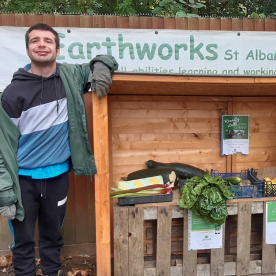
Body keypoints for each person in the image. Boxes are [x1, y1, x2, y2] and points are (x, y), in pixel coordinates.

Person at [0, 23, 118, 276]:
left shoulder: (71, 77)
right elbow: (1, 147)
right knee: (22, 243)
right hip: (23, 181)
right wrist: (4, 189)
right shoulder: (12, 93)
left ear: (57, 48)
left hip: (57, 178)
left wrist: (100, 68)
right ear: (28, 48)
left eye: (47, 40)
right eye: (35, 41)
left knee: (53, 239)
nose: (41, 44)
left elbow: (104, 59)